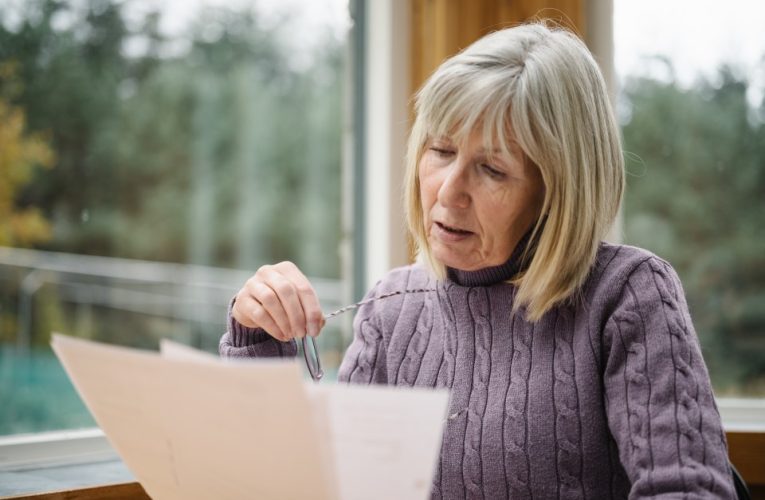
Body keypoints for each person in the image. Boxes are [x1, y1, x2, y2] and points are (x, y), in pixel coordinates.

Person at [220, 22, 736, 499]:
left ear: (557, 192)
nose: (448, 192)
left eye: (491, 168)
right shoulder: (391, 308)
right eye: (440, 151)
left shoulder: (627, 294)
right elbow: (330, 489)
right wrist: (258, 339)